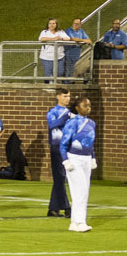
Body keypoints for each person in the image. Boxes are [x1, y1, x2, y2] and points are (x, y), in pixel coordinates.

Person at [59, 96, 95, 232]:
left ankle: (75, 222)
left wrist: (93, 158)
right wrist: (65, 160)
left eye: (89, 105)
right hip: (74, 158)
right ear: (77, 107)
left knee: (84, 190)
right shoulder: (72, 123)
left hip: (86, 158)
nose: (88, 108)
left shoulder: (91, 123)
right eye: (85, 105)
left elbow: (90, 142)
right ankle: (80, 221)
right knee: (80, 190)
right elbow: (63, 142)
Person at [46, 88, 73, 219]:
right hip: (57, 147)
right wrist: (65, 117)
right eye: (64, 96)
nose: (67, 99)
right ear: (58, 97)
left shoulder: (70, 113)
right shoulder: (53, 112)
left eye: (68, 96)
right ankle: (67, 207)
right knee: (60, 177)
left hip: (68, 147)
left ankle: (53, 208)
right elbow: (52, 125)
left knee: (60, 178)